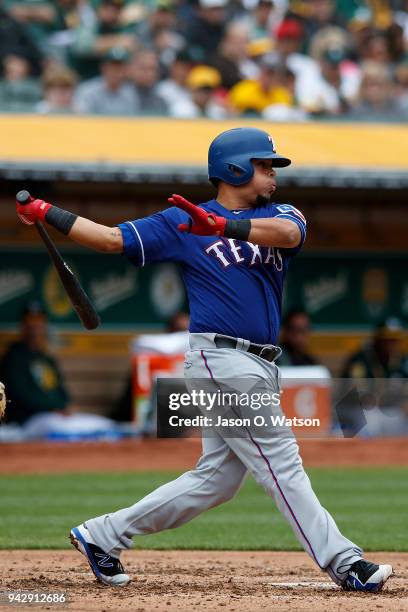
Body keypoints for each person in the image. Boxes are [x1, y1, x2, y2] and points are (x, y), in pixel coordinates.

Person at [16, 126, 392, 593]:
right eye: (263, 165)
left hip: (259, 362)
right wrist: (46, 211)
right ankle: (344, 561)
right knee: (282, 461)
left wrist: (223, 227)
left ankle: (101, 535)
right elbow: (111, 239)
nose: (272, 173)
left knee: (217, 479)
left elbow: (290, 233)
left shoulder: (279, 214)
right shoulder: (183, 222)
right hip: (221, 358)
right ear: (234, 169)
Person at [0, 302, 70, 425]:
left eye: (38, 321)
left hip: (51, 417)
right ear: (23, 325)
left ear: (45, 325)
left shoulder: (47, 359)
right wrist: (52, 408)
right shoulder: (14, 357)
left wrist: (61, 407)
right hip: (26, 421)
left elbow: (62, 393)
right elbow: (21, 395)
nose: (34, 326)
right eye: (30, 320)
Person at [74, 47, 137, 115]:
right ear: (103, 67)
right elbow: (81, 117)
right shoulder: (87, 90)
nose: (116, 71)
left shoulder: (131, 92)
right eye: (112, 66)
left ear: (126, 70)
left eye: (120, 67)